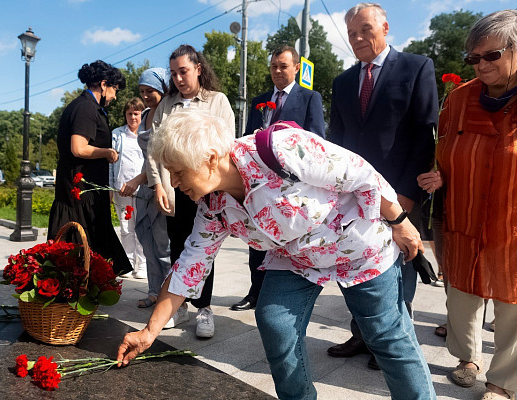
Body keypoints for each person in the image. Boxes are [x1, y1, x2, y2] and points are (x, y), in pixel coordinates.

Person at [116, 110, 436, 400]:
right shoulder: (213, 207)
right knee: (275, 321)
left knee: (386, 336)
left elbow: (361, 174)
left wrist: (399, 221)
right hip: (298, 258)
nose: (173, 182)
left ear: (210, 159)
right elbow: (190, 265)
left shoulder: (280, 150)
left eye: (177, 172)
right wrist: (149, 332)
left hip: (356, 245)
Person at [327, 2, 438, 370]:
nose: (358, 38)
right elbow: (338, 140)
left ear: (385, 28)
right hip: (355, 196)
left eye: (366, 29)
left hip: (400, 191)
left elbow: (424, 134)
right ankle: (362, 334)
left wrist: (405, 196)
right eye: (352, 33)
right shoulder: (343, 82)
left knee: (399, 267)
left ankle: (392, 342)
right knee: (357, 262)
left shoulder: (416, 67)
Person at [417, 10, 517, 400]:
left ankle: (503, 382)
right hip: (464, 212)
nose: (481, 65)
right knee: (461, 293)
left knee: (512, 301)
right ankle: (467, 359)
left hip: (511, 222)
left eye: (491, 55)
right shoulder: (459, 99)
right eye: (473, 58)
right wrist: (438, 175)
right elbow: (444, 151)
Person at [145, 45, 235, 338]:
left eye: (183, 71)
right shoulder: (166, 105)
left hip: (206, 188)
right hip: (174, 187)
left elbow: (227, 144)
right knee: (178, 244)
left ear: (198, 68)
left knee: (205, 246)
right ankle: (179, 305)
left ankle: (204, 308)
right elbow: (153, 149)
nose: (179, 79)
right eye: (173, 74)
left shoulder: (217, 101)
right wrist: (158, 184)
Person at [231, 45, 326, 312]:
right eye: (274, 66)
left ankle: (285, 298)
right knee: (258, 238)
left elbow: (317, 139)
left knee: (289, 239)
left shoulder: (309, 98)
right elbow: (247, 137)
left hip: (292, 183)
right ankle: (255, 292)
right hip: (260, 181)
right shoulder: (259, 100)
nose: (277, 71)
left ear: (296, 67)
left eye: (283, 66)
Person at [47, 60, 132, 275]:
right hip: (80, 192)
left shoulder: (86, 106)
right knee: (81, 244)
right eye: (115, 90)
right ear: (104, 84)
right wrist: (107, 152)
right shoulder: (86, 108)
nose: (115, 96)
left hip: (84, 190)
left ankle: (89, 283)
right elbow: (78, 148)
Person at [118, 68, 172, 309]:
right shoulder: (147, 114)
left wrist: (139, 179)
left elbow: (163, 158)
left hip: (164, 183)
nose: (145, 95)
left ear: (162, 88)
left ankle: (169, 298)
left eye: (150, 90)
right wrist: (141, 180)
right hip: (147, 184)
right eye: (142, 91)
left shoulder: (169, 113)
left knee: (163, 245)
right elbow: (147, 158)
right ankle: (153, 291)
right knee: (146, 239)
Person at [109, 97, 147, 279]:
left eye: (136, 113)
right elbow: (111, 163)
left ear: (142, 114)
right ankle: (129, 263)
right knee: (125, 227)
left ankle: (143, 264)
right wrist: (110, 188)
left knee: (141, 227)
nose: (133, 117)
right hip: (121, 189)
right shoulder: (117, 134)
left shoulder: (147, 133)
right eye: (129, 113)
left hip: (142, 189)